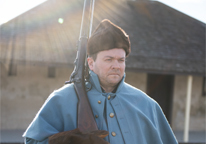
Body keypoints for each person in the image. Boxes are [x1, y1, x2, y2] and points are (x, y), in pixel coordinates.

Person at [23, 19, 178, 144]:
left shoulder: (147, 104)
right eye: (109, 59)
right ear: (91, 63)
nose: (116, 66)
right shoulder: (62, 99)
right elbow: (31, 141)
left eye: (121, 60)